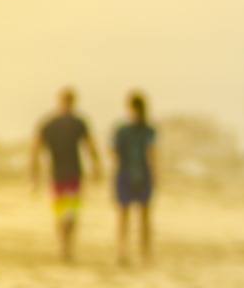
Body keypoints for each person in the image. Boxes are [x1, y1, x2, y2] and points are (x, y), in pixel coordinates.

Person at [30, 88, 103, 263]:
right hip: (69, 175)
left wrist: (35, 175)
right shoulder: (74, 123)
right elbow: (91, 147)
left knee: (64, 212)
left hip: (63, 175)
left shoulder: (53, 123)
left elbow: (35, 150)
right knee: (69, 212)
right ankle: (66, 245)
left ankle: (64, 245)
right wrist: (96, 167)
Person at [112, 92, 158, 266]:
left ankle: (144, 251)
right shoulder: (123, 130)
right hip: (126, 174)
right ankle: (122, 250)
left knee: (144, 215)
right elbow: (114, 152)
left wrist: (154, 175)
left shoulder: (147, 130)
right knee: (124, 214)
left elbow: (152, 153)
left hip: (141, 174)